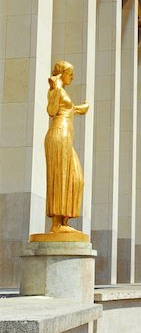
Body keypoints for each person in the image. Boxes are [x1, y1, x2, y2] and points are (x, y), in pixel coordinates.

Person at [45, 61, 89, 233]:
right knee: (60, 176)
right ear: (62, 73)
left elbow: (66, 109)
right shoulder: (56, 88)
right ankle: (57, 224)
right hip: (59, 134)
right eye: (70, 73)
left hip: (65, 136)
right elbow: (51, 110)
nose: (73, 77)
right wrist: (55, 87)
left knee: (76, 179)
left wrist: (79, 109)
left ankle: (64, 220)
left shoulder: (62, 91)